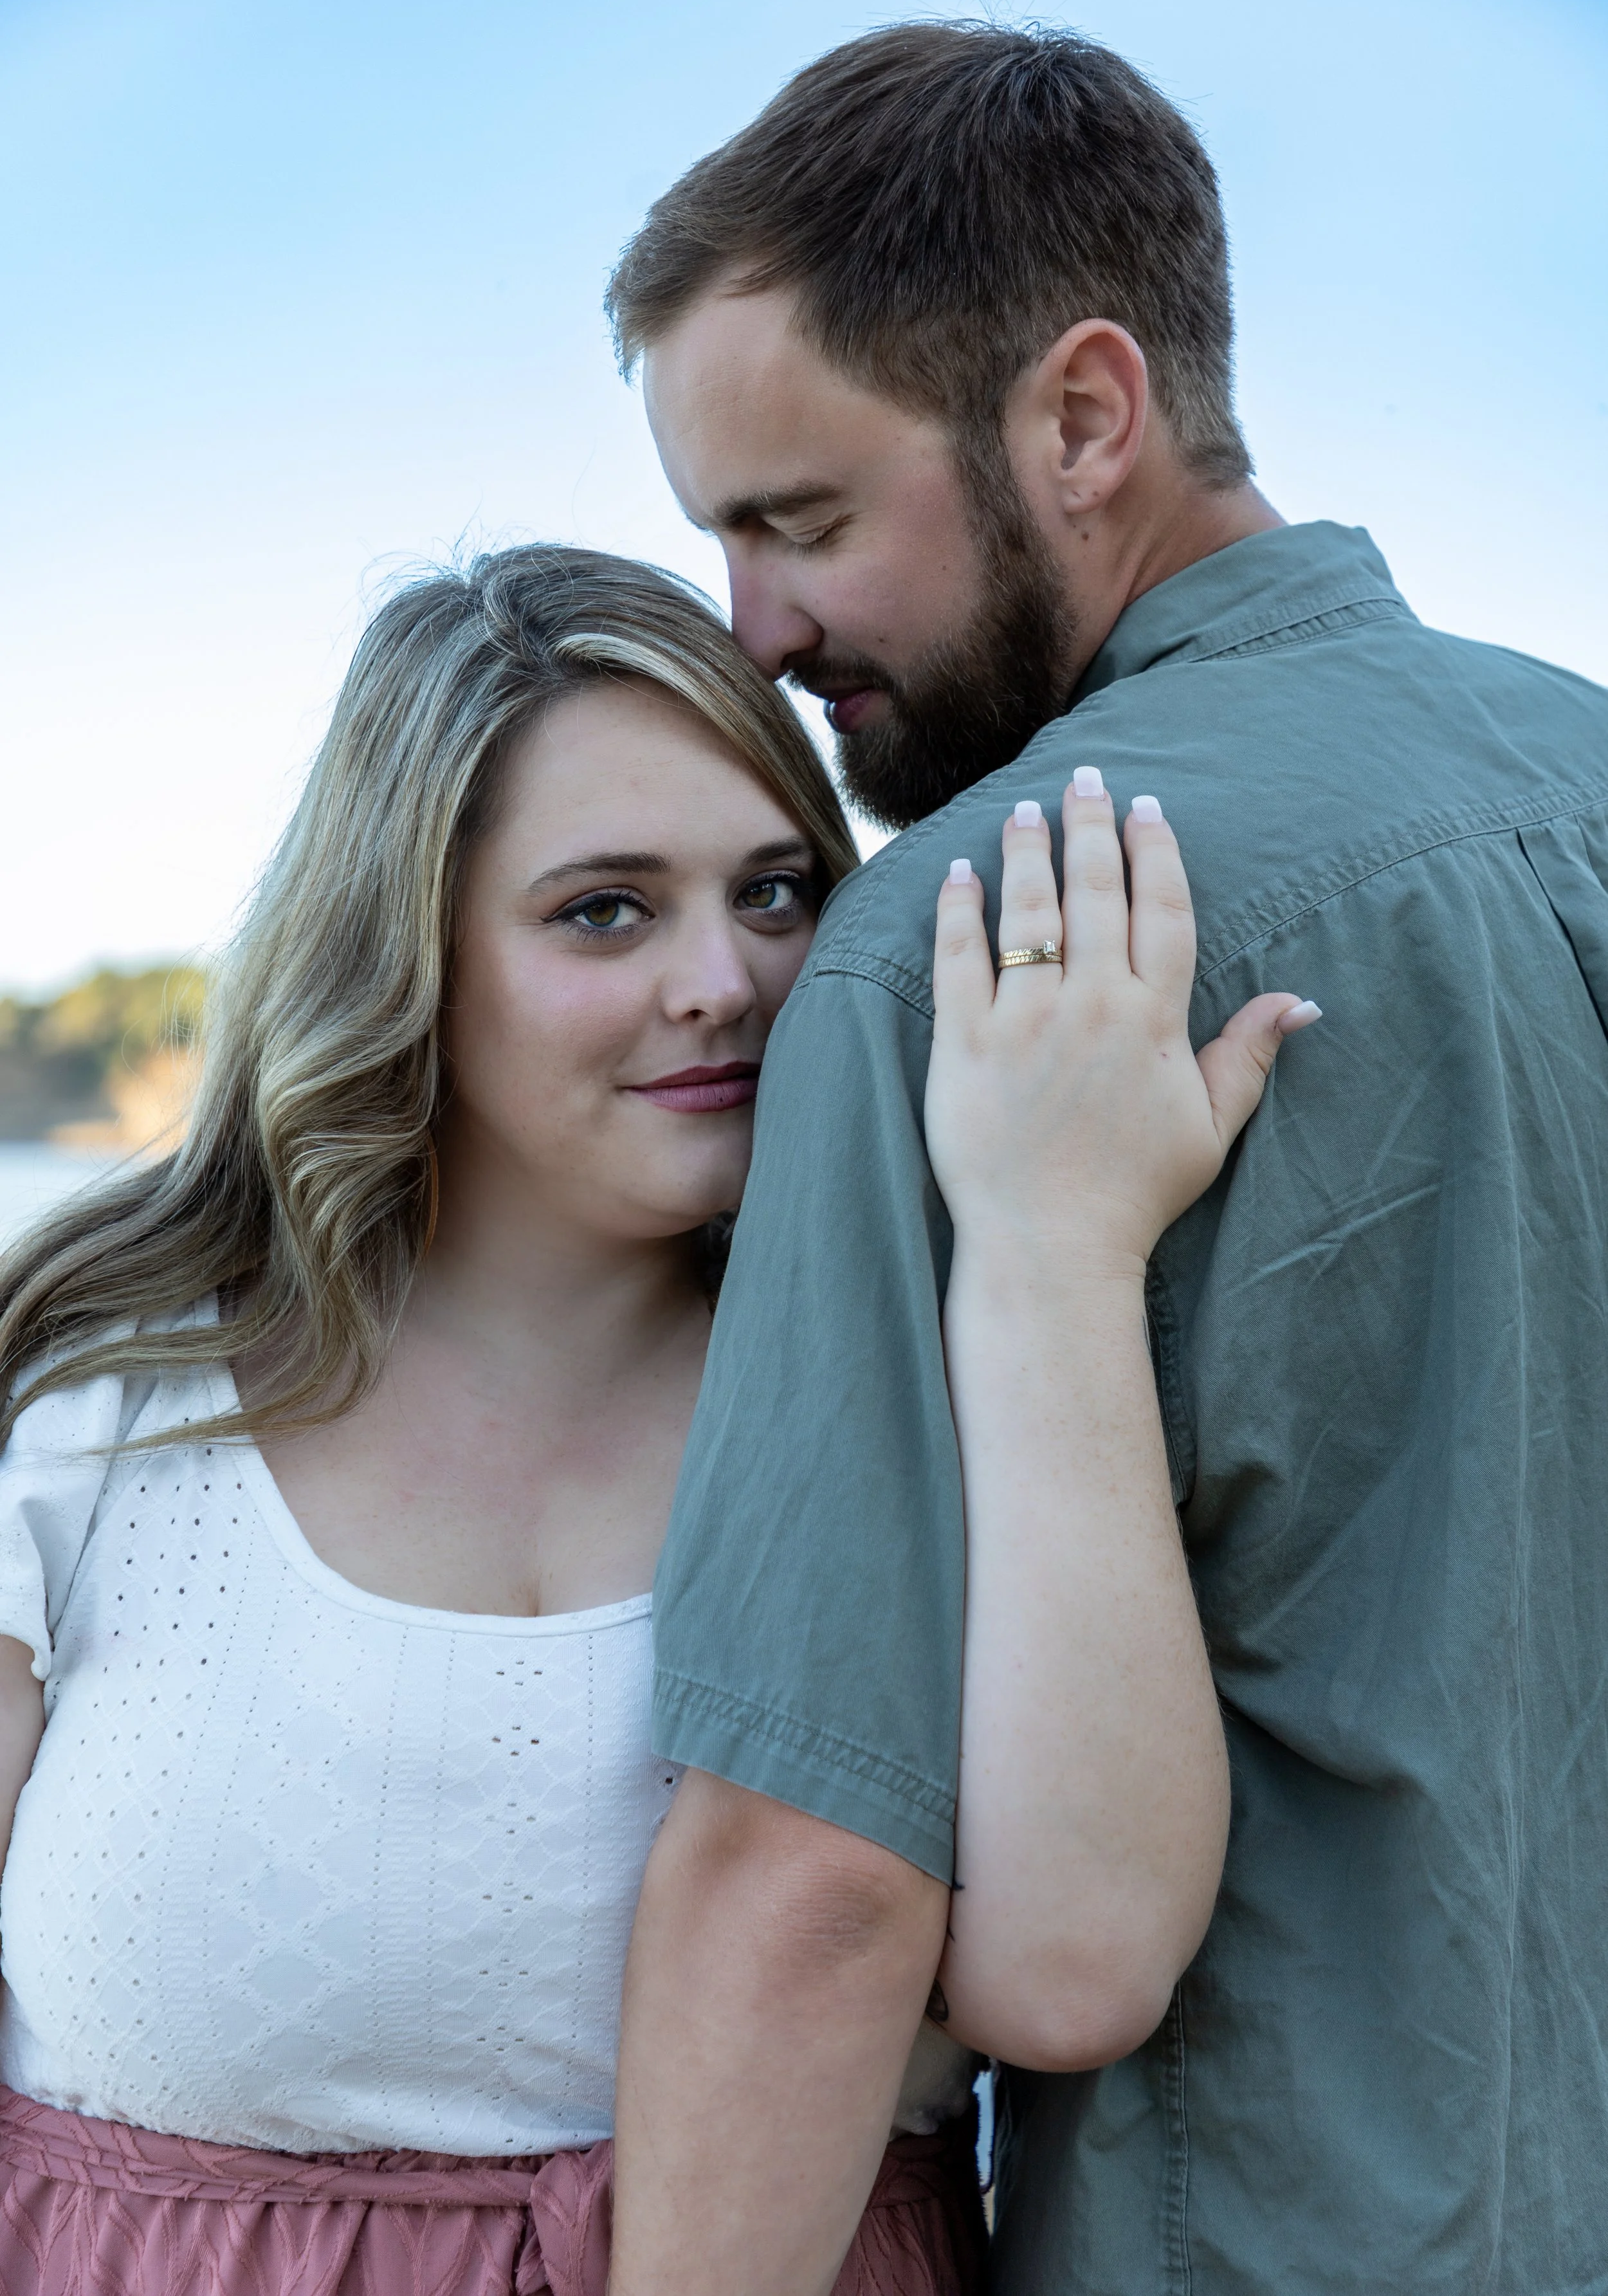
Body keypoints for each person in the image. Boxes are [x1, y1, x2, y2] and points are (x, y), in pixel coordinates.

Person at [604, 20, 1608, 2294]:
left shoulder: (975, 932)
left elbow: (805, 1866)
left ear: (1080, 415)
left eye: (801, 520)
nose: (757, 634)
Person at [0, 544, 1301, 2295]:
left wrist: (1058, 1249)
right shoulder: (98, 1395)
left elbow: (1072, 1966)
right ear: (411, 947)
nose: (726, 979)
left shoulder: (953, 1364)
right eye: (603, 908)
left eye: (774, 892)